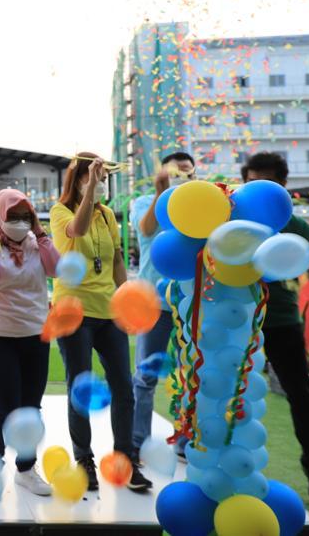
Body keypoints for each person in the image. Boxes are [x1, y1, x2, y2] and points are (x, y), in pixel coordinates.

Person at [50, 153, 151, 492]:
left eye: (105, 175)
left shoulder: (107, 215)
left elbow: (117, 259)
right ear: (77, 178)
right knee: (79, 387)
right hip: (74, 312)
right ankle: (84, 460)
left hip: (110, 313)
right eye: (95, 175)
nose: (102, 180)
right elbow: (75, 231)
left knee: (123, 387)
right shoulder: (59, 211)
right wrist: (91, 186)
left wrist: (128, 300)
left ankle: (125, 461)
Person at [242, 152, 309, 512]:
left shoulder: (299, 227)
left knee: (303, 396)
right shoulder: (232, 217)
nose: (257, 191)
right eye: (251, 184)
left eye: (266, 184)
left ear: (283, 186)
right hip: (237, 319)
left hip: (281, 319)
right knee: (224, 392)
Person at [0, 188, 59, 496]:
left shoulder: (37, 244)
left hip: (35, 332)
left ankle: (25, 469)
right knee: (4, 405)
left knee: (30, 407)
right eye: (13, 216)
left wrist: (41, 233)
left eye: (26, 216)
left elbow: (56, 269)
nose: (20, 223)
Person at [129, 152, 195, 459]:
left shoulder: (200, 205)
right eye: (176, 172)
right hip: (153, 303)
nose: (183, 176)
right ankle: (137, 440)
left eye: (187, 172)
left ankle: (185, 441)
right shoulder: (143, 201)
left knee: (190, 373)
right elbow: (145, 229)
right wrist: (160, 192)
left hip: (190, 301)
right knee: (146, 375)